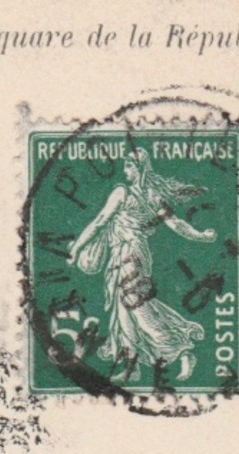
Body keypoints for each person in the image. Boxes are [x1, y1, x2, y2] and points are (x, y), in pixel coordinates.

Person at [67, 147, 217, 385]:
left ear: (138, 168)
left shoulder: (122, 192)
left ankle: (180, 351)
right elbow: (176, 224)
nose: (125, 170)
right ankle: (131, 366)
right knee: (125, 310)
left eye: (128, 165)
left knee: (137, 309)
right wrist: (200, 236)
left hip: (128, 255)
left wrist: (76, 248)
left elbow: (99, 222)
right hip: (133, 254)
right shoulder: (152, 195)